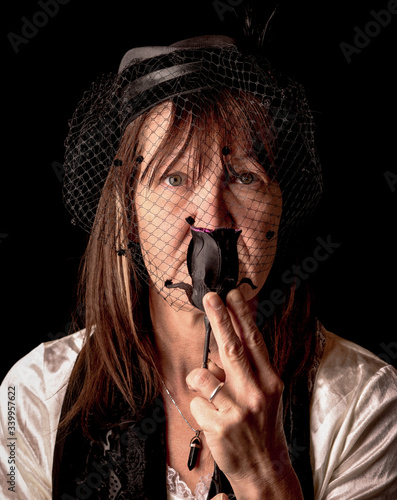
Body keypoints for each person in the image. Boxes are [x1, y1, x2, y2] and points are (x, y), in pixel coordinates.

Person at [1, 34, 396, 500]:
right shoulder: (27, 397)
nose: (211, 220)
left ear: (279, 209)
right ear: (128, 214)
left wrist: (264, 475)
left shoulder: (366, 401)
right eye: (174, 177)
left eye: (245, 177)